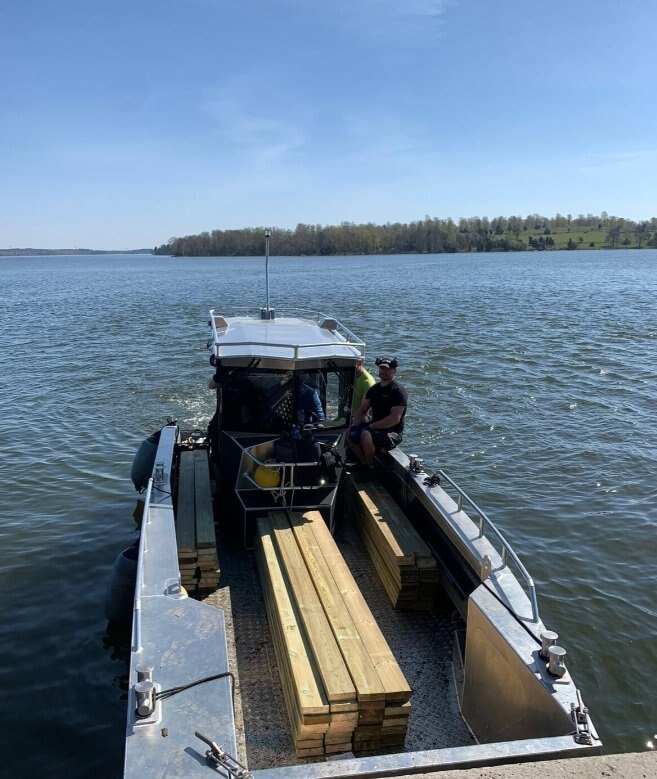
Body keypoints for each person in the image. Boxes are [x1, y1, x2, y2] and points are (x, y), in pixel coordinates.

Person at [349, 356, 407, 466]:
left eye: (387, 369)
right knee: (348, 432)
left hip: (392, 432)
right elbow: (362, 411)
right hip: (374, 427)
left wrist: (372, 426)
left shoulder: (398, 392)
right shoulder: (374, 389)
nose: (383, 371)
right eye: (381, 368)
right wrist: (354, 426)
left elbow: (394, 419)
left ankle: (369, 465)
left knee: (366, 434)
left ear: (394, 371)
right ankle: (362, 460)